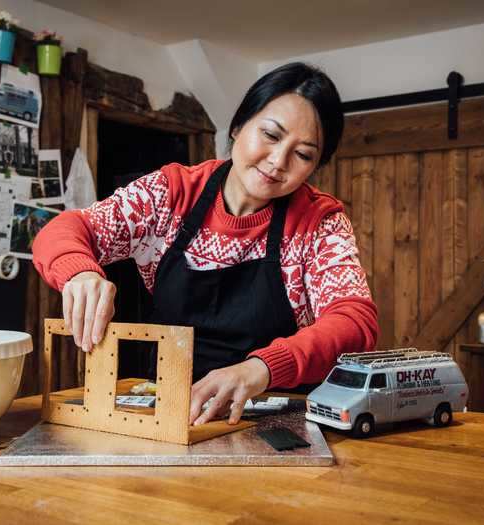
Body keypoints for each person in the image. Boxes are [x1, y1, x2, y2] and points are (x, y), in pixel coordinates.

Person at [32, 62, 379, 426]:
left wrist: (262, 368)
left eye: (303, 154)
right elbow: (68, 228)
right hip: (167, 413)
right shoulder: (171, 195)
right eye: (271, 135)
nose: (278, 162)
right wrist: (81, 272)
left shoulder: (317, 222)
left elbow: (354, 321)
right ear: (238, 126)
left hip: (273, 419)